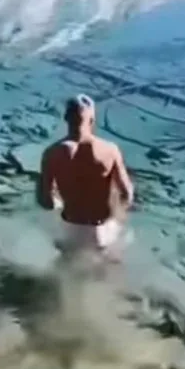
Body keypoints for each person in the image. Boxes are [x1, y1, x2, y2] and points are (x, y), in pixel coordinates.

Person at [36, 94, 134, 255]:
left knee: (67, 269)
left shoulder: (52, 153)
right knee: (106, 268)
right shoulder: (110, 150)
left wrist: (58, 203)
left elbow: (45, 201)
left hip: (71, 228)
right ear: (92, 120)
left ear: (66, 117)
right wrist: (117, 218)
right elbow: (127, 194)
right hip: (101, 230)